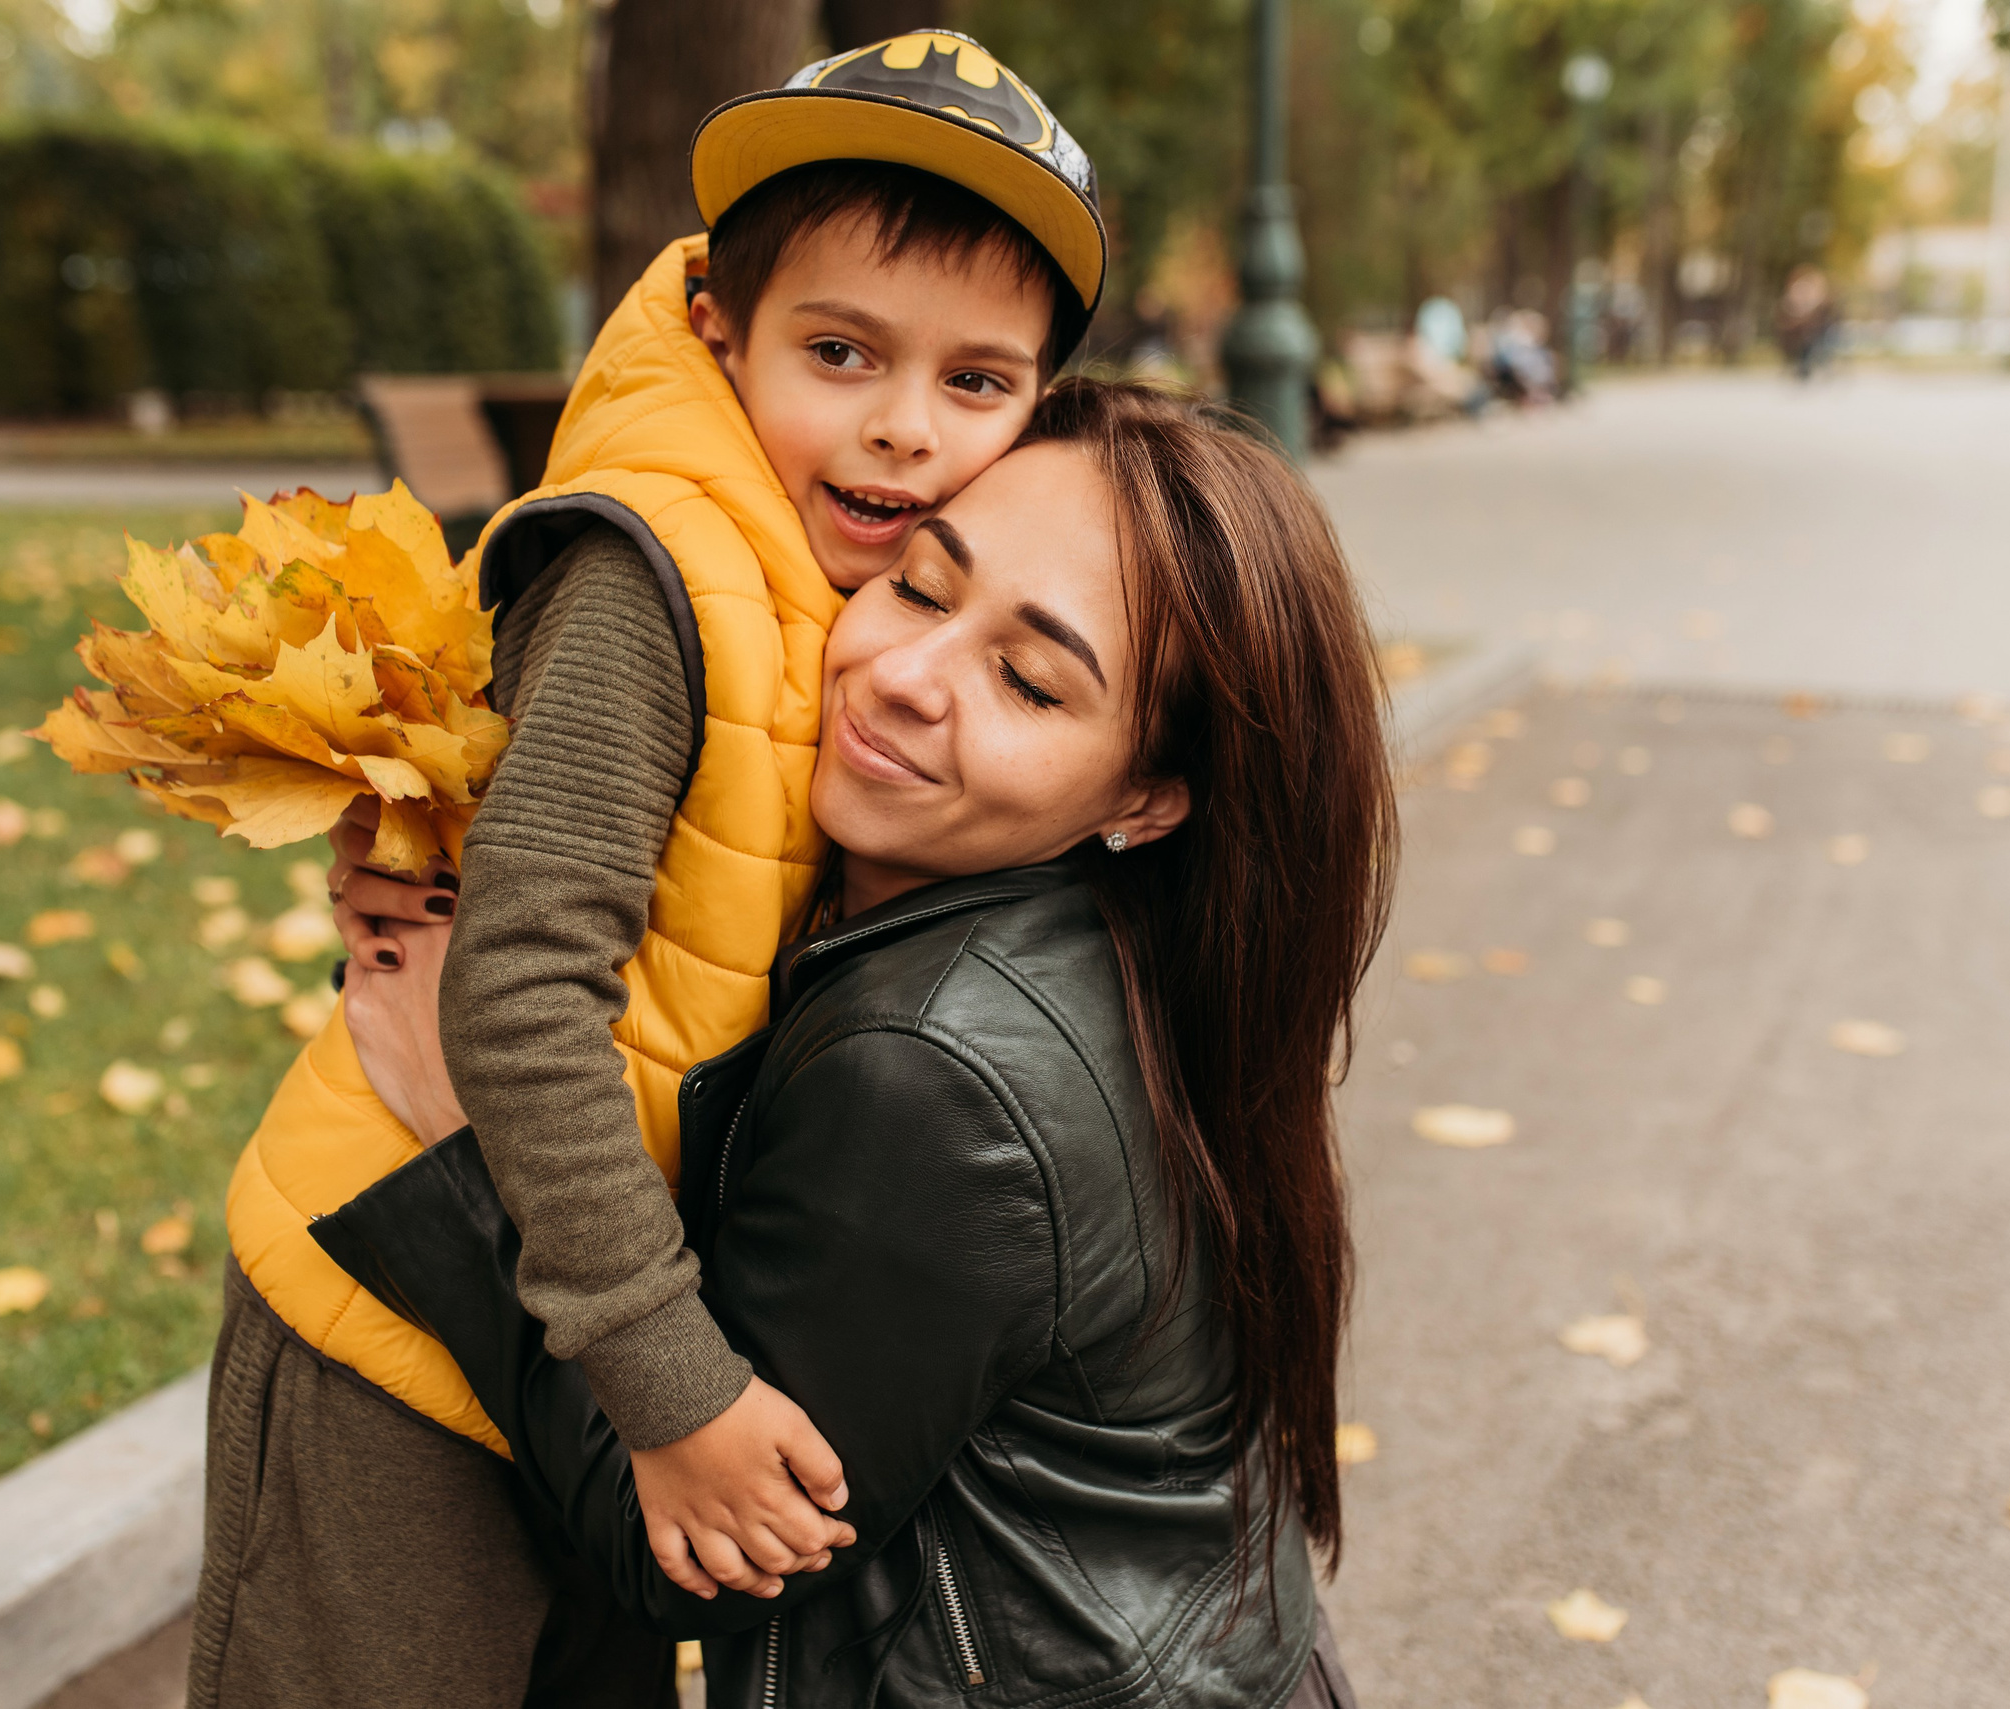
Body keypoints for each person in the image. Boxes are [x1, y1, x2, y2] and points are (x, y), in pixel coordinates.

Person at [191, 31, 1112, 1709]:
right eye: (841, 351)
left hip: (549, 1314)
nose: (905, 429)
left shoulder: (846, 588)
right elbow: (518, 983)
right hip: (399, 1314)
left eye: (978, 383)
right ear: (716, 325)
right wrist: (671, 1382)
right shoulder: (655, 575)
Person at [325, 379, 1400, 1708]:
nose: (902, 677)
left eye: (1027, 680)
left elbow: (700, 1556)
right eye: (921, 586)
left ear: (1146, 797)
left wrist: (460, 1142)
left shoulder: (935, 1080)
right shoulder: (1108, 941)